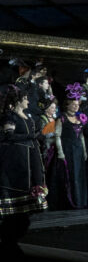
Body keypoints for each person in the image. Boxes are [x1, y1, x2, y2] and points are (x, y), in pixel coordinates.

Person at [0, 86, 48, 222]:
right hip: (18, 154)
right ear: (18, 101)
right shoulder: (11, 116)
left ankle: (30, 206)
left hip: (31, 151)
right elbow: (9, 135)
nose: (28, 101)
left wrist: (37, 136)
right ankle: (15, 210)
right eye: (25, 99)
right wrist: (31, 136)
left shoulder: (27, 116)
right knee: (20, 180)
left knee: (35, 176)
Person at [53, 85, 88, 208]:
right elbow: (57, 136)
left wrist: (84, 150)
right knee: (71, 175)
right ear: (67, 105)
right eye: (73, 104)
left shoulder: (80, 118)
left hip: (78, 149)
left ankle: (81, 201)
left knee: (80, 174)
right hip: (68, 148)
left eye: (77, 104)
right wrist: (60, 152)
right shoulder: (62, 118)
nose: (76, 106)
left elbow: (82, 136)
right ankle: (72, 201)